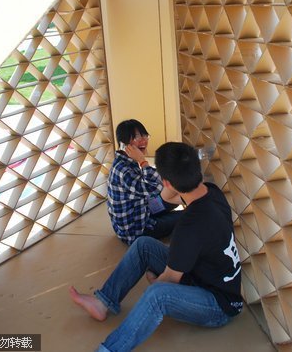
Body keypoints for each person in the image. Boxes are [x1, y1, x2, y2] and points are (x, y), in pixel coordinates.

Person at [70, 142, 243, 352]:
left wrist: (157, 282)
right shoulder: (212, 192)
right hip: (203, 274)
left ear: (166, 182)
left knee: (157, 295)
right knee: (144, 244)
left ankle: (110, 349)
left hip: (218, 305)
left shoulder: (188, 227)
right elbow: (168, 200)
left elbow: (170, 279)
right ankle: (103, 302)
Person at [107, 119, 183, 245]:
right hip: (137, 230)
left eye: (144, 135)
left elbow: (157, 183)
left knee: (177, 200)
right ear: (124, 144)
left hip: (143, 210)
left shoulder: (125, 161)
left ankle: (193, 201)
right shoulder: (124, 171)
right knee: (187, 215)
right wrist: (143, 161)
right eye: (136, 137)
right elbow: (156, 187)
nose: (143, 140)